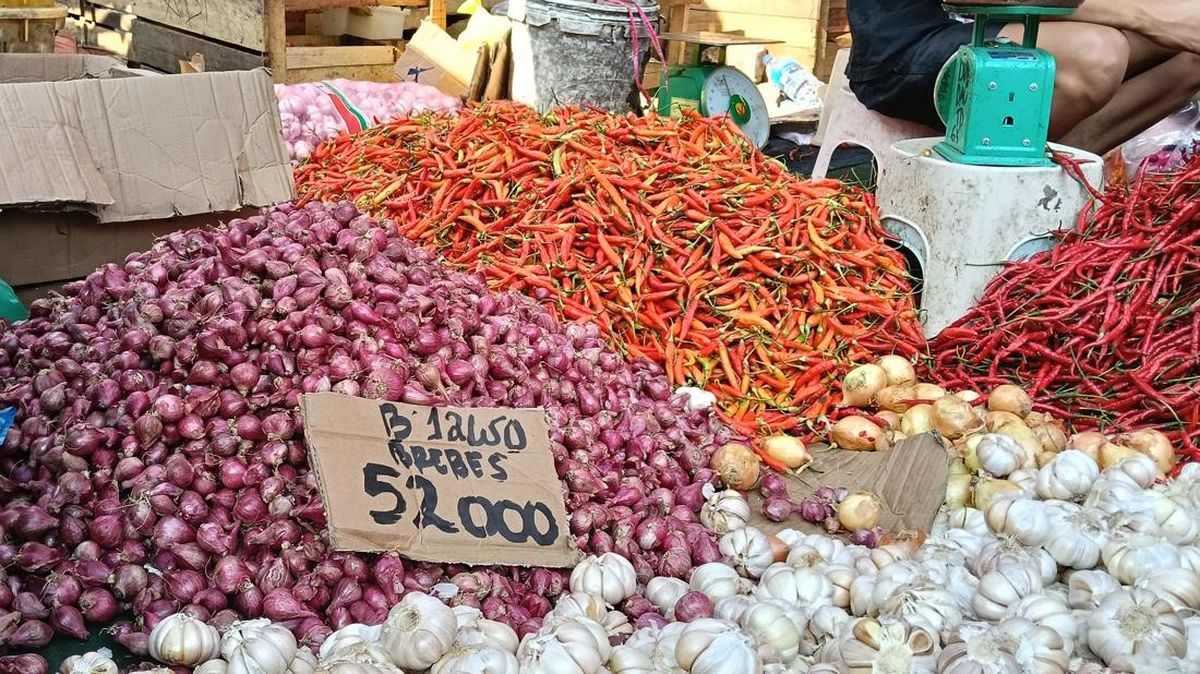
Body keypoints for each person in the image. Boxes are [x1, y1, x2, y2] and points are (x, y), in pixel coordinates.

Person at [846, 0, 1200, 155]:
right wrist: (1146, 16)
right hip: (913, 42)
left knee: (1190, 50)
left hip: (1013, 19)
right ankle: (1014, 178)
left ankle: (1062, 163)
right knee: (1097, 55)